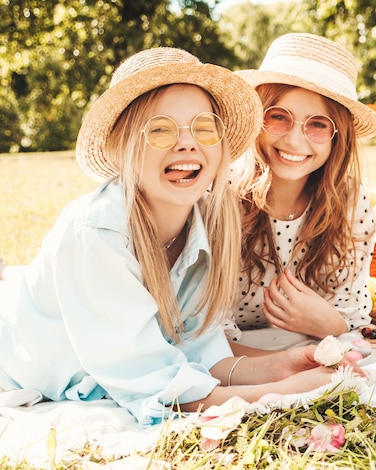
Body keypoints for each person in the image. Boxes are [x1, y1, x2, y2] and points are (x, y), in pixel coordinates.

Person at [0, 47, 347, 425]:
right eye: (161, 129)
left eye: (204, 127)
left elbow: (200, 354)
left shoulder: (204, 223)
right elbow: (158, 387)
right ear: (125, 145)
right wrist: (284, 392)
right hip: (18, 370)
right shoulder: (96, 232)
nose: (187, 143)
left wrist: (282, 366)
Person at [227, 33, 376, 352]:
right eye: (278, 117)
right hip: (239, 362)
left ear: (337, 137)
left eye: (318, 124)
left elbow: (351, 317)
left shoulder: (350, 202)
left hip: (307, 349)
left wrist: (328, 323)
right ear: (258, 119)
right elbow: (199, 339)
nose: (295, 142)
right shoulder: (220, 199)